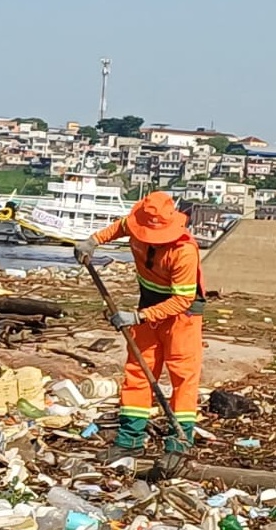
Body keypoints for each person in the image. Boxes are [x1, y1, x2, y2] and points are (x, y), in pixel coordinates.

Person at [74, 192, 204, 461]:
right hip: (147, 306)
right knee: (137, 371)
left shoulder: (183, 251)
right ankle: (130, 439)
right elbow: (118, 227)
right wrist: (92, 241)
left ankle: (179, 442)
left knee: (182, 376)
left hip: (181, 316)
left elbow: (182, 300)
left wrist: (137, 317)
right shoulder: (135, 226)